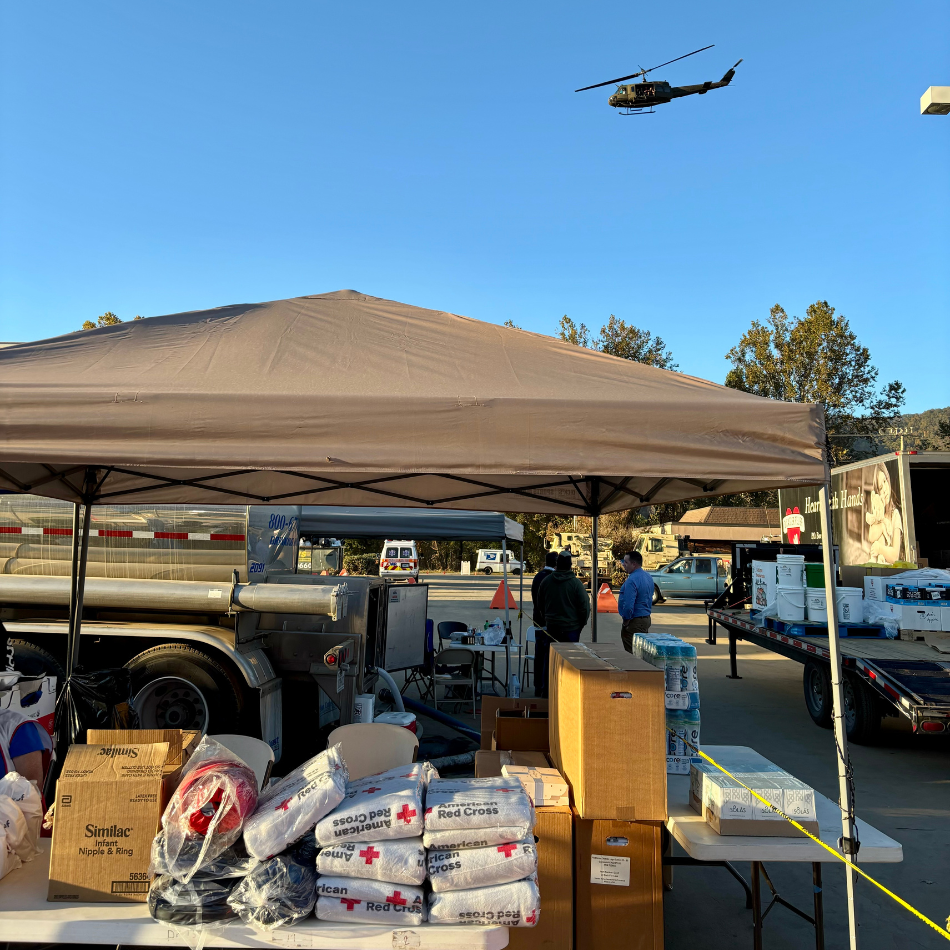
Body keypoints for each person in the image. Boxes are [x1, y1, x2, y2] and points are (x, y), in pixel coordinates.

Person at [533, 552, 590, 698]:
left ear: (557, 564)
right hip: (571, 628)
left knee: (550, 659)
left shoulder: (546, 581)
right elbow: (585, 606)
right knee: (571, 662)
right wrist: (580, 624)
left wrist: (547, 619)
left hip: (552, 627)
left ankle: (547, 691)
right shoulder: (576, 584)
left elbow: (539, 604)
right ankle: (568, 693)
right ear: (571, 565)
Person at [618, 550, 654, 653]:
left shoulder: (632, 580)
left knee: (633, 653)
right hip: (645, 619)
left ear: (634, 564)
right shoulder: (648, 577)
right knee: (641, 651)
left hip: (634, 621)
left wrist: (626, 621)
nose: (623, 565)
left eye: (626, 562)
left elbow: (629, 605)